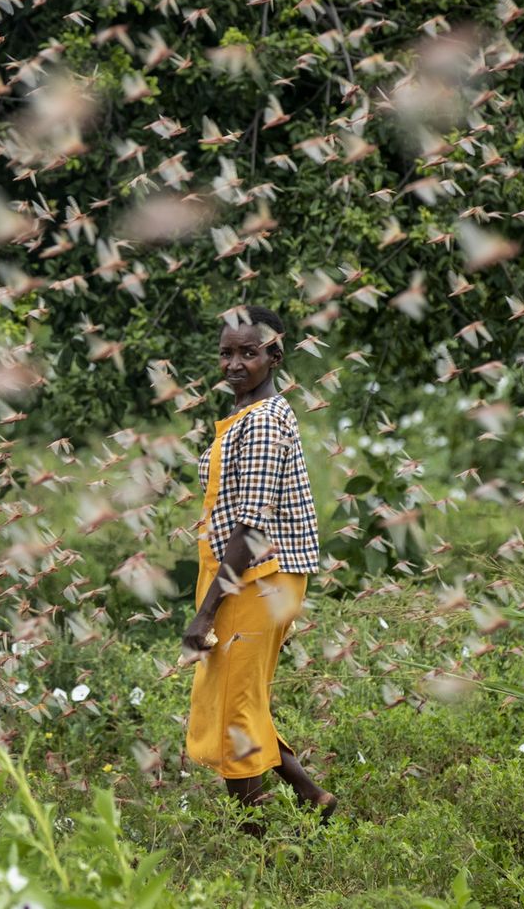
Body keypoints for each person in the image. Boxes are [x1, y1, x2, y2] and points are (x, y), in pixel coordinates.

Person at [182, 304, 335, 834]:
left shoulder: (265, 423)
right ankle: (312, 796)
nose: (234, 363)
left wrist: (205, 614)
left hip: (258, 579)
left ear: (275, 354)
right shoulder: (247, 417)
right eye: (226, 353)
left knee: (233, 713)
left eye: (249, 352)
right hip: (243, 577)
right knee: (240, 697)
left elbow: (251, 527)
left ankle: (261, 851)